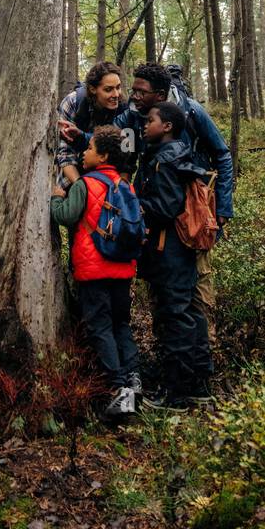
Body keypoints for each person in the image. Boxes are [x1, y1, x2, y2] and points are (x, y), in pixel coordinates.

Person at [60, 61, 233, 328]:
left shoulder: (191, 112)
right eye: (133, 90)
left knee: (197, 289)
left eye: (141, 91)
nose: (132, 96)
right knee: (161, 288)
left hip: (193, 216)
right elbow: (112, 137)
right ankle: (169, 356)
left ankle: (201, 357)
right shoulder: (134, 116)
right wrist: (81, 136)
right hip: (159, 217)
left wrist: (223, 208)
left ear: (160, 96)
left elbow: (222, 154)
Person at [50, 124, 142, 418]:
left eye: (89, 149)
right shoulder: (125, 185)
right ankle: (133, 378)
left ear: (102, 156)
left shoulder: (85, 185)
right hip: (122, 269)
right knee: (120, 325)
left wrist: (55, 197)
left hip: (94, 271)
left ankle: (117, 390)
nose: (84, 153)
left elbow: (65, 216)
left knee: (100, 327)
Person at [135, 101, 213, 406]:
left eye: (151, 120)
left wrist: (137, 205)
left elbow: (167, 207)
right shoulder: (175, 154)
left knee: (175, 315)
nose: (145, 123)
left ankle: (177, 392)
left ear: (167, 126)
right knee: (189, 313)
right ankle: (199, 384)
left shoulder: (165, 159)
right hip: (177, 249)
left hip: (170, 249)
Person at [55, 61, 123, 189]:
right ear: (92, 89)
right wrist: (82, 189)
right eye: (108, 89)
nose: (116, 95)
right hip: (72, 176)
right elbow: (65, 154)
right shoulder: (73, 102)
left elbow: (125, 151)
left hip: (108, 179)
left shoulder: (123, 108)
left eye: (118, 87)